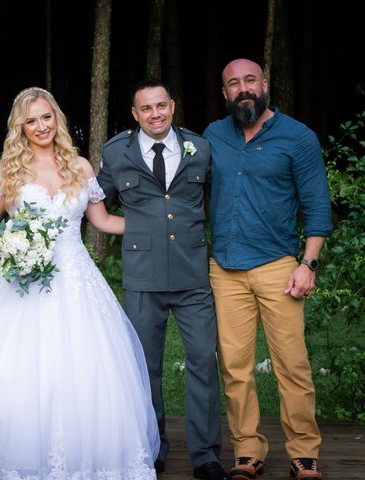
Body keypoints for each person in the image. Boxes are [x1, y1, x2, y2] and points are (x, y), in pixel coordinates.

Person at [0, 87, 160, 478]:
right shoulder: (10, 170)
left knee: (88, 374)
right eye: (30, 121)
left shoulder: (81, 167)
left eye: (46, 117)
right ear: (21, 127)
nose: (40, 126)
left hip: (76, 279)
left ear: (56, 118)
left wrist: (152, 226)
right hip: (19, 278)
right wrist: (7, 249)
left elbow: (101, 221)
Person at [204, 58, 332, 480]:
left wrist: (308, 263)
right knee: (235, 367)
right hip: (224, 267)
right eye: (233, 83)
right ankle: (247, 449)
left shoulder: (298, 137)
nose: (243, 89)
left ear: (264, 84)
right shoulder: (212, 136)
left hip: (279, 266)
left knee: (291, 364)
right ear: (225, 93)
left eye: (249, 81)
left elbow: (316, 207)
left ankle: (303, 452)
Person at [98, 79, 228, 480]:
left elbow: (216, 201)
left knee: (204, 360)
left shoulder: (200, 147)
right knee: (144, 366)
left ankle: (205, 455)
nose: (155, 114)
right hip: (143, 276)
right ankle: (151, 448)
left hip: (192, 275)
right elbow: (92, 201)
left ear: (172, 106)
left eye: (161, 106)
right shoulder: (115, 152)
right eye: (146, 109)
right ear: (134, 114)